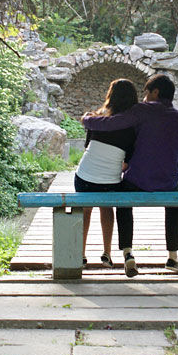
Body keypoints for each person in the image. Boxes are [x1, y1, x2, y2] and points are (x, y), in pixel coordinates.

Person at [82, 73, 178, 277]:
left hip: (137, 181)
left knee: (123, 197)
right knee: (174, 201)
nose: (143, 97)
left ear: (155, 92)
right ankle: (173, 257)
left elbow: (111, 123)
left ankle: (128, 253)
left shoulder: (142, 111)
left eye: (146, 92)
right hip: (167, 183)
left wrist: (87, 120)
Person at [74, 78, 138, 268]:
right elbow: (127, 161)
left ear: (110, 95)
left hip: (84, 175)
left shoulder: (97, 118)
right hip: (110, 180)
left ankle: (81, 255)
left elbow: (88, 147)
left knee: (85, 211)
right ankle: (107, 254)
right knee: (107, 208)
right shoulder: (133, 126)